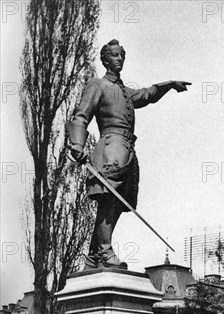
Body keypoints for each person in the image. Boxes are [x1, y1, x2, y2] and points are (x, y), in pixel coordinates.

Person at [66, 39, 191, 270]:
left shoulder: (124, 91)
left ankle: (94, 255)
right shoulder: (97, 85)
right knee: (108, 199)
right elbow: (81, 116)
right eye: (114, 56)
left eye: (121, 56)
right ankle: (104, 252)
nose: (119, 60)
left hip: (127, 150)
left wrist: (169, 84)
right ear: (105, 59)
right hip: (110, 148)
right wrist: (77, 144)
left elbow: (147, 95)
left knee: (120, 203)